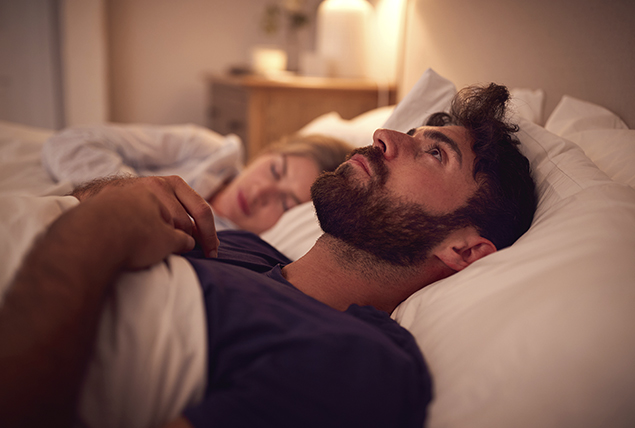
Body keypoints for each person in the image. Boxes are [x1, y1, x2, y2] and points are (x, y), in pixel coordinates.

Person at [0, 84, 537, 427]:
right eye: (411, 132)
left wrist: (106, 226)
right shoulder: (243, 246)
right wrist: (113, 198)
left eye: (434, 151)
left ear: (464, 249)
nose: (384, 135)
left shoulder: (358, 363)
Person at [43, 124, 353, 234]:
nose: (260, 191)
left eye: (285, 203)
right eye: (275, 170)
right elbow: (72, 141)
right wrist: (131, 191)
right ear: (267, 152)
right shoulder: (208, 150)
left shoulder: (235, 245)